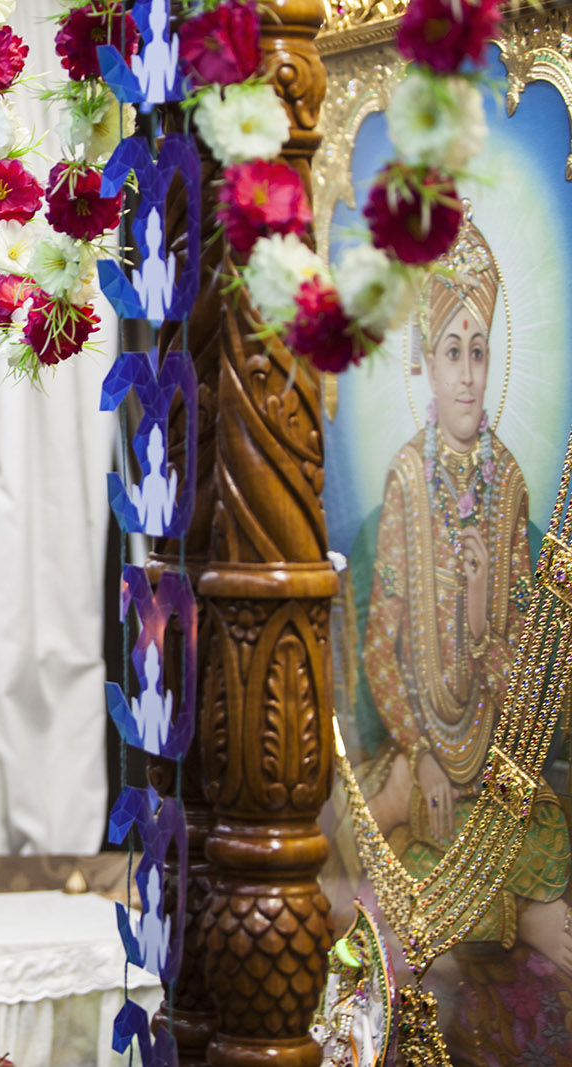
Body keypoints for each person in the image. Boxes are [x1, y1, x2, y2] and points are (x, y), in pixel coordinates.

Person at [360, 218, 571, 1055]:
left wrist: (489, 608)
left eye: (480, 351)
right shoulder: (408, 480)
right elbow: (381, 647)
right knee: (409, 912)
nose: (468, 373)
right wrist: (418, 751)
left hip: (495, 752)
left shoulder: (511, 479)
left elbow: (519, 652)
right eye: (452, 351)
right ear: (425, 361)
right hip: (422, 756)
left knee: (551, 881)